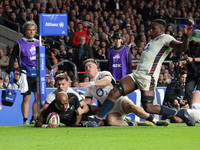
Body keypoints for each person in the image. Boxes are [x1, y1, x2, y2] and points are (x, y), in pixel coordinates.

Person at [84, 19, 195, 127]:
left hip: (148, 77)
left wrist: (185, 36)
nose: (150, 31)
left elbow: (182, 48)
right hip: (137, 74)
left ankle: (180, 113)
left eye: (153, 29)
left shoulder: (165, 38)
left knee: (149, 108)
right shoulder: (151, 42)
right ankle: (95, 121)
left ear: (161, 30)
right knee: (114, 92)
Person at [78, 58, 169, 126]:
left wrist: (90, 83)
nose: (88, 68)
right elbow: (87, 103)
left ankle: (155, 121)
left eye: (90, 66)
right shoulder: (88, 88)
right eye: (86, 67)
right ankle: (135, 124)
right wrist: (80, 103)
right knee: (110, 121)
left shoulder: (103, 74)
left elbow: (107, 81)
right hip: (109, 108)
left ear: (96, 67)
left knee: (133, 107)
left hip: (120, 100)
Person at [9, 21, 39, 125]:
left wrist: (51, 69)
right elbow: (13, 57)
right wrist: (10, 71)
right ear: (25, 31)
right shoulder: (19, 43)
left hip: (37, 73)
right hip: (25, 73)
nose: (31, 32)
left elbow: (43, 57)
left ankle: (34, 117)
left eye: (33, 30)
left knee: (37, 97)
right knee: (26, 97)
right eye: (29, 30)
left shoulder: (38, 42)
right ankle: (25, 119)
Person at [185, 29, 200, 107]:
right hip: (192, 71)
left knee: (198, 92)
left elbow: (193, 58)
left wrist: (193, 59)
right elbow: (186, 54)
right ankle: (193, 108)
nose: (194, 41)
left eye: (196, 39)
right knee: (188, 89)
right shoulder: (190, 44)